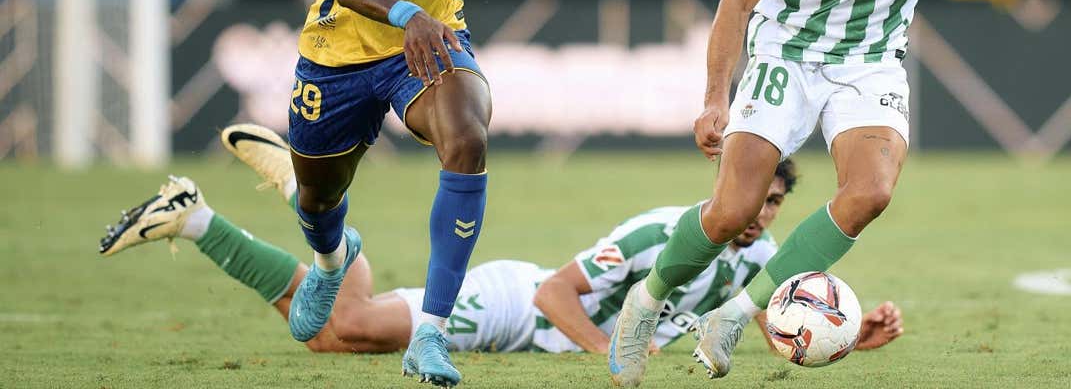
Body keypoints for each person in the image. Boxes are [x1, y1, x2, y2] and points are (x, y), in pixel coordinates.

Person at [608, 0, 993, 386]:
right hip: (786, 52)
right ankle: (643, 304)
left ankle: (733, 316)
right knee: (733, 212)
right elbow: (735, 3)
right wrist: (714, 99)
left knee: (871, 192)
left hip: (870, 57)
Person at [284, 0, 638, 386]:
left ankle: (431, 334)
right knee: (317, 196)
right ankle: (331, 260)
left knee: (468, 138)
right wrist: (406, 13)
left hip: (430, 39)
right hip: (339, 52)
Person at [98, 124, 903, 358]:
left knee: (327, 335)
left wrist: (847, 339)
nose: (761, 215)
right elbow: (558, 292)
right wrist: (612, 353)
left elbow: (770, 327)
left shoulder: (761, 260)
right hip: (520, 304)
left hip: (543, 336)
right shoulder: (664, 233)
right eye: (754, 197)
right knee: (348, 323)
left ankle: (195, 217)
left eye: (773, 204)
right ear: (728, 185)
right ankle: (318, 207)